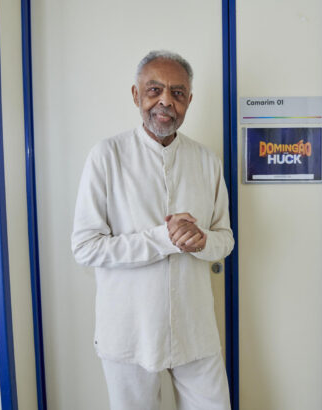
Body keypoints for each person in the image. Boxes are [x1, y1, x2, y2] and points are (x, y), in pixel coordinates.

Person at [71, 50, 234, 410]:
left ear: (189, 100)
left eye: (177, 93)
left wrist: (202, 240)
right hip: (130, 331)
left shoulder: (207, 160)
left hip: (195, 328)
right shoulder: (107, 156)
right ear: (136, 95)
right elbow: (85, 247)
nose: (165, 101)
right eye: (154, 90)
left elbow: (225, 239)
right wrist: (162, 240)